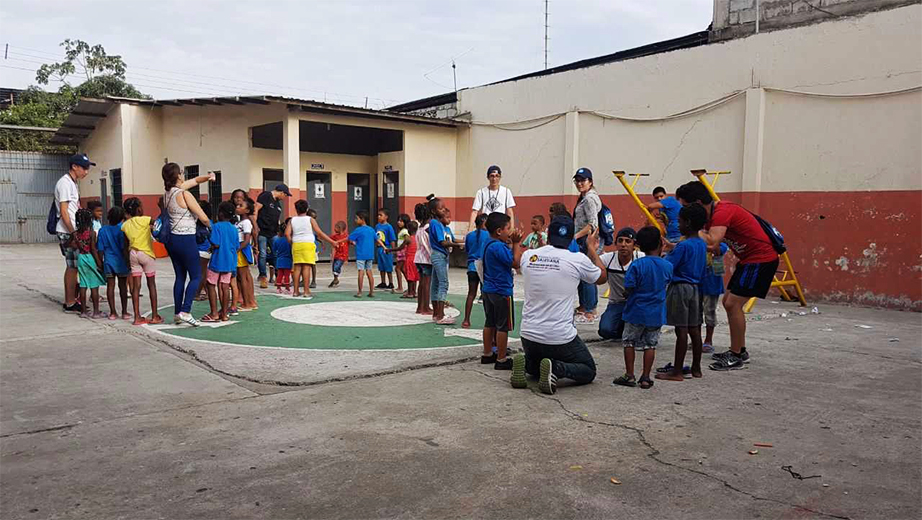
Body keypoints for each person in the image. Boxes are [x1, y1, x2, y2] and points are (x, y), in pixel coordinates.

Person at [676, 180, 780, 371]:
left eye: (685, 207)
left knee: (733, 303)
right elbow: (712, 245)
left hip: (761, 259)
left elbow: (712, 241)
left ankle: (737, 355)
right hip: (748, 259)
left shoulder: (722, 211)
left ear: (697, 204)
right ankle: (738, 349)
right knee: (728, 302)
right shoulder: (710, 217)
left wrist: (691, 229)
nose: (683, 212)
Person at [510, 216, 608, 394]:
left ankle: (528, 364)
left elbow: (516, 261)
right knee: (588, 370)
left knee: (538, 364)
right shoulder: (577, 259)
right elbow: (602, 277)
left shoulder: (530, 256)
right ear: (571, 238)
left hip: (528, 334)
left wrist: (516, 244)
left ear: (548, 234)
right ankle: (556, 368)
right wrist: (592, 249)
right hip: (559, 337)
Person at [611, 226, 673, 390]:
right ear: (660, 244)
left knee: (629, 342)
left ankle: (629, 375)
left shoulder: (637, 265)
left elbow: (629, 287)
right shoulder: (667, 265)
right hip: (656, 313)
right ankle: (645, 377)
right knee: (650, 345)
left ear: (638, 245)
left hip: (635, 311)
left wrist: (626, 294)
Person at [656, 204, 709, 382]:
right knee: (695, 329)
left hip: (679, 289)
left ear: (688, 223)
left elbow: (669, 266)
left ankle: (677, 371)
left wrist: (662, 255)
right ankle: (696, 368)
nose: (678, 225)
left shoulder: (683, 246)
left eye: (679, 221)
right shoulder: (701, 244)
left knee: (681, 330)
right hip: (695, 289)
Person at [162, 163, 214, 327]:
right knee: (197, 276)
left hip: (172, 240)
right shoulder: (185, 194)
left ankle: (178, 313)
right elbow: (203, 217)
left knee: (180, 277)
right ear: (178, 175)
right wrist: (211, 227)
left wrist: (208, 177)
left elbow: (194, 181)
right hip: (186, 238)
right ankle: (186, 311)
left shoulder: (167, 193)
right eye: (182, 172)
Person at [481, 212, 524, 370]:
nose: (510, 231)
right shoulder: (499, 247)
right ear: (499, 231)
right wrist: (517, 244)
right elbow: (515, 262)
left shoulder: (488, 242)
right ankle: (501, 358)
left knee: (489, 322)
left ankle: (487, 353)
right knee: (502, 326)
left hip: (488, 289)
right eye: (508, 228)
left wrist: (510, 243)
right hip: (502, 290)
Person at [56, 153, 93, 313]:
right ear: (74, 167)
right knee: (72, 266)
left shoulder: (72, 183)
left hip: (73, 230)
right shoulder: (64, 184)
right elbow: (64, 211)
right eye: (84, 168)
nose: (86, 172)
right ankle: (70, 302)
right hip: (68, 231)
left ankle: (73, 298)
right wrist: (73, 232)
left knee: (75, 266)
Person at [598, 228, 644, 341]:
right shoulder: (608, 258)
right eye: (620, 241)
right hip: (616, 303)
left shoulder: (641, 258)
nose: (623, 245)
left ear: (634, 245)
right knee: (605, 330)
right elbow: (591, 267)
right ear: (616, 243)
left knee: (640, 335)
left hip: (637, 304)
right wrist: (591, 250)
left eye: (628, 241)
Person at [122, 197, 162, 325]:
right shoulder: (146, 219)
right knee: (151, 285)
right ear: (139, 208)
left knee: (136, 287)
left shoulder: (125, 225)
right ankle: (155, 316)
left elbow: (125, 244)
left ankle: (137, 317)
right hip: (147, 254)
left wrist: (127, 261)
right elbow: (157, 225)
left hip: (133, 254)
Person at [287, 200, 337, 299]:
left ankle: (296, 291)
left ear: (296, 209)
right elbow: (319, 233)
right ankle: (306, 291)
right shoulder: (310, 219)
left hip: (296, 244)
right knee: (306, 267)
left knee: (297, 267)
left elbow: (287, 234)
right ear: (307, 209)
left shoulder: (292, 220)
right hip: (308, 244)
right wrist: (332, 241)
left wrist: (292, 242)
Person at [572, 167, 603, 322]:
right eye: (577, 180)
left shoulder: (590, 199)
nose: (579, 183)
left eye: (583, 180)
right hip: (582, 241)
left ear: (590, 182)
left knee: (587, 275)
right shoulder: (584, 197)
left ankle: (590, 308)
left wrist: (575, 236)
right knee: (581, 274)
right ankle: (584, 305)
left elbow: (593, 224)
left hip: (588, 241)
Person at [428, 198, 464, 324]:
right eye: (440, 208)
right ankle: (441, 315)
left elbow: (453, 240)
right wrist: (457, 246)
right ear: (433, 211)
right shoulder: (435, 224)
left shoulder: (442, 226)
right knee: (443, 283)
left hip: (442, 256)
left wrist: (465, 241)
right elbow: (442, 242)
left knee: (436, 284)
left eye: (444, 208)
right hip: (438, 255)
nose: (443, 210)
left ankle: (436, 314)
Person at [202, 201, 239, 322]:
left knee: (211, 284)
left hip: (218, 261)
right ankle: (224, 313)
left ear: (220, 214)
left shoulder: (216, 226)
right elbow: (236, 246)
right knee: (225, 286)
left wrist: (211, 243)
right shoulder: (234, 229)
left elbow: (216, 243)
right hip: (230, 261)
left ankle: (214, 313)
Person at [254, 184, 291, 288]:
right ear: (282, 192)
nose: (285, 198)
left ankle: (278, 276)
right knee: (262, 254)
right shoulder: (265, 196)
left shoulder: (278, 204)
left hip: (273, 232)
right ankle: (263, 276)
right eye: (285, 195)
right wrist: (255, 225)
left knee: (276, 254)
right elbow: (256, 208)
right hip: (262, 231)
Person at [96, 206, 130, 320]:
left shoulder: (103, 230)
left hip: (108, 262)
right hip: (121, 262)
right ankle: (124, 312)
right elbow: (124, 248)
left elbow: (100, 249)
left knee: (110, 286)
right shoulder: (122, 229)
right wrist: (128, 262)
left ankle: (113, 312)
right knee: (123, 287)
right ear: (122, 218)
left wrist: (100, 262)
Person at [72, 208, 106, 319]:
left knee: (83, 284)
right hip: (90, 258)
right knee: (94, 286)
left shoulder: (75, 234)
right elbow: (93, 249)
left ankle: (83, 312)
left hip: (81, 258)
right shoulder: (91, 233)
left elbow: (69, 244)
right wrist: (99, 263)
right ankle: (96, 312)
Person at [699, 242, 729, 353]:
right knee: (695, 312)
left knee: (709, 311)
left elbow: (719, 250)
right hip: (697, 281)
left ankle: (708, 340)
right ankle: (696, 339)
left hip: (712, 282)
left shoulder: (720, 243)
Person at [469, 165, 516, 231]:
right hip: (486, 226)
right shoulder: (481, 192)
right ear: (488, 177)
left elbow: (509, 211)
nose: (494, 179)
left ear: (500, 177)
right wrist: (470, 229)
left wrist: (511, 228)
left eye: (497, 176)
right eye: (492, 176)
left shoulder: (506, 191)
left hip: (500, 226)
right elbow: (475, 212)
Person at [462, 213, 489, 328]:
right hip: (484, 267)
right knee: (486, 295)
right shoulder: (488, 235)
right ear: (484, 223)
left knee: (471, 294)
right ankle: (489, 320)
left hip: (472, 267)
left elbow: (467, 250)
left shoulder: (469, 235)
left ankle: (466, 320)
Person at [344, 210, 377, 298]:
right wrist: (385, 247)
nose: (355, 220)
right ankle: (371, 291)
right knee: (369, 272)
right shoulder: (371, 229)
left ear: (362, 219)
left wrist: (337, 242)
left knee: (361, 272)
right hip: (370, 254)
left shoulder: (358, 230)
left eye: (357, 218)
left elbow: (349, 239)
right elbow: (377, 240)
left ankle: (360, 292)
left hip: (361, 254)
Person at [235, 198, 258, 310]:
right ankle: (249, 301)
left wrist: (237, 250)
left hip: (241, 250)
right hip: (240, 249)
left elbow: (246, 240)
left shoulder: (246, 222)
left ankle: (247, 303)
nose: (237, 207)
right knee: (242, 277)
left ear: (247, 210)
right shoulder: (239, 222)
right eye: (237, 205)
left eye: (241, 206)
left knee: (242, 277)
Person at [413, 202, 433, 315]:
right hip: (426, 259)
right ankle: (426, 307)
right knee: (427, 283)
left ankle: (419, 306)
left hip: (418, 258)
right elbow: (430, 245)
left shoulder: (419, 228)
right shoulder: (428, 228)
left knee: (421, 283)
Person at [194, 204, 214, 302]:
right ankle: (205, 292)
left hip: (199, 250)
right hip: (207, 250)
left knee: (201, 273)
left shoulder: (195, 222)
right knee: (204, 272)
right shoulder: (209, 223)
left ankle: (197, 293)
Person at [374, 209, 397, 292]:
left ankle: (390, 282)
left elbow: (392, 239)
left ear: (386, 217)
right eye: (378, 215)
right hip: (379, 248)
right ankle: (383, 282)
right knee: (381, 266)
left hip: (387, 248)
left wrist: (393, 250)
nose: (379, 216)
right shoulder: (377, 226)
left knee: (388, 266)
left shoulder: (389, 227)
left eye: (381, 215)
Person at [273, 219, 293, 294]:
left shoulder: (277, 240)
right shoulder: (289, 240)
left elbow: (274, 250)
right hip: (288, 259)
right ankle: (287, 288)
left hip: (279, 259)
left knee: (279, 274)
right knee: (287, 275)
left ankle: (278, 288)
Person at [393, 213, 411, 294]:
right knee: (403, 269)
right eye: (398, 220)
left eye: (401, 221)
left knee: (397, 269)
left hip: (402, 253)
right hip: (401, 252)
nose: (399, 222)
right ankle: (411, 287)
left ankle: (400, 287)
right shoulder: (402, 231)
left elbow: (407, 239)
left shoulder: (404, 231)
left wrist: (401, 248)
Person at [328, 221, 349, 288]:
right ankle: (335, 279)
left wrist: (354, 243)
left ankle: (336, 278)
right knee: (333, 267)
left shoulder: (346, 236)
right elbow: (328, 238)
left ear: (340, 228)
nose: (334, 229)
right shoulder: (335, 236)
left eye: (335, 227)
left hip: (342, 256)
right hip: (336, 255)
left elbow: (351, 241)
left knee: (336, 267)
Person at [307, 208, 321, 289]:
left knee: (313, 265)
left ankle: (313, 281)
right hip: (306, 246)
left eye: (315, 218)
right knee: (303, 264)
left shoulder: (314, 226)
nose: (314, 219)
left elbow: (317, 235)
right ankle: (303, 280)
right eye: (312, 217)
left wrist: (321, 241)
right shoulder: (306, 225)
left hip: (313, 248)